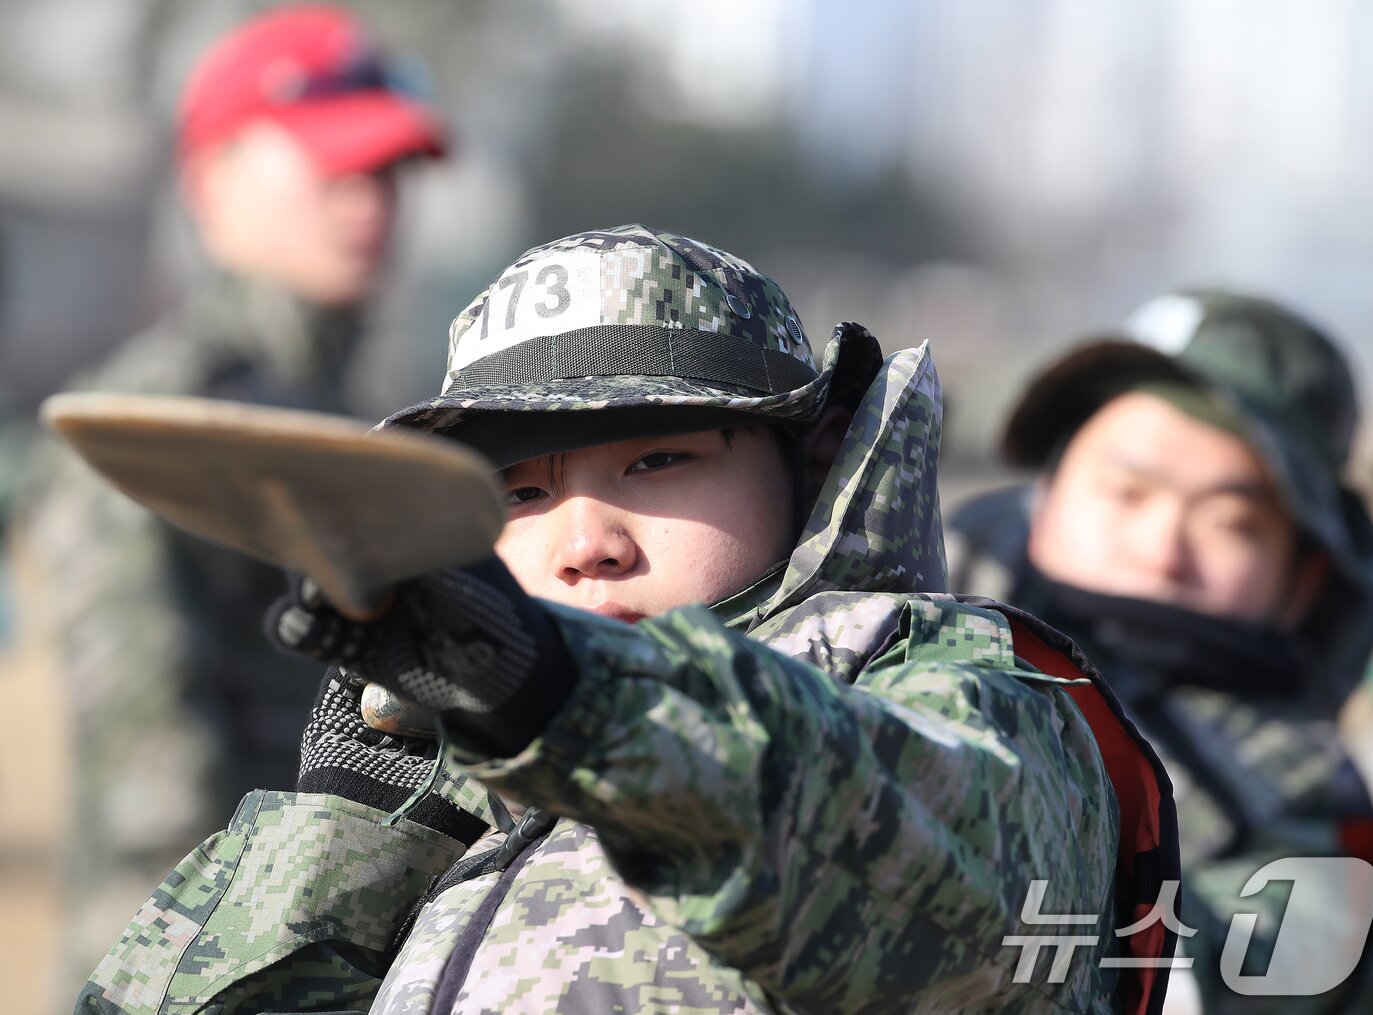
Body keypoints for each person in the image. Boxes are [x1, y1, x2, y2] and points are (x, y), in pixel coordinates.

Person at [78, 225, 1178, 1013]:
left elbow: (940, 903)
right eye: (518, 491)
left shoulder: (946, 686)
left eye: (658, 459)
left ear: (809, 463)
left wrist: (568, 698)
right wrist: (351, 827)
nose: (585, 537)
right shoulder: (470, 768)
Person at [16, 3, 446, 980]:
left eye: (387, 172)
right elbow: (149, 789)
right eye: (335, 165)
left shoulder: (350, 416)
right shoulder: (157, 425)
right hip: (202, 959)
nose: (369, 200)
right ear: (209, 184)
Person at [947, 288, 1373, 1012]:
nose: (1162, 550)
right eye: (1126, 493)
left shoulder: (1313, 809)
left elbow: (1242, 964)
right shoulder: (881, 628)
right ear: (1047, 496)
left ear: (1305, 575)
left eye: (1230, 521)